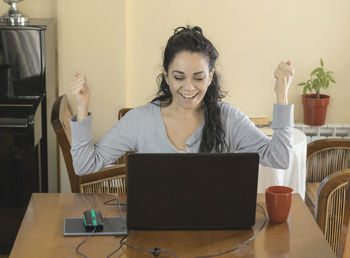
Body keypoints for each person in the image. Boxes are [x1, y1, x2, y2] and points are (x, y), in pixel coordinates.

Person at [70, 26, 295, 175]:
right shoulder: (140, 120)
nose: (189, 88)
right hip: (156, 235)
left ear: (211, 77)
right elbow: (84, 165)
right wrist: (82, 108)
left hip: (215, 233)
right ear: (166, 77)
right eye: (179, 77)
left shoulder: (228, 118)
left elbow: (280, 158)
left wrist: (282, 95)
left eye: (198, 78)